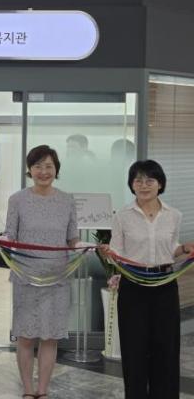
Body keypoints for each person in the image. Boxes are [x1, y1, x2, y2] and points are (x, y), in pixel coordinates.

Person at [104, 160, 187, 399]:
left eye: (150, 180)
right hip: (133, 285)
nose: (144, 185)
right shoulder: (122, 216)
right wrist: (109, 254)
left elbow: (171, 246)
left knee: (166, 347)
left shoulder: (174, 215)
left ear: (160, 184)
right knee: (134, 348)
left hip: (165, 284)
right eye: (138, 180)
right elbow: (116, 251)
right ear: (131, 185)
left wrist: (183, 249)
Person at [4, 145, 78, 399]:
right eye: (38, 166)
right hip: (26, 277)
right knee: (25, 336)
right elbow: (10, 235)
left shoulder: (67, 200)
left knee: (50, 337)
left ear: (56, 169)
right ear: (30, 170)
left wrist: (85, 247)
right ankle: (28, 390)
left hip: (57, 278)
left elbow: (72, 238)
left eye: (49, 166)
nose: (43, 171)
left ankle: (43, 390)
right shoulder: (17, 199)